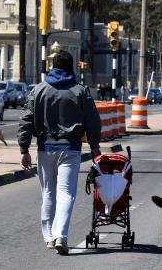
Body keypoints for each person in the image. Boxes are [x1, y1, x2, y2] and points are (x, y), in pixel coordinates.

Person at [17, 50, 102, 255]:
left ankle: (48, 237)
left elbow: (26, 120)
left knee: (48, 193)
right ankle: (60, 236)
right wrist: (94, 146)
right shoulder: (80, 91)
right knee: (66, 194)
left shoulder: (38, 90)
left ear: (52, 67)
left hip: (45, 148)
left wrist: (24, 149)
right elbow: (92, 120)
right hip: (71, 148)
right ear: (71, 67)